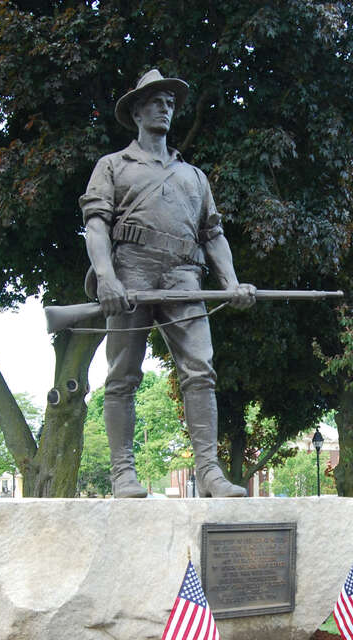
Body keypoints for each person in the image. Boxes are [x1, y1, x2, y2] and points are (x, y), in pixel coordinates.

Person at [79, 69, 256, 499]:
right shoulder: (113, 166)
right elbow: (96, 227)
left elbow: (212, 235)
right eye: (156, 101)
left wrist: (231, 282)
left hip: (184, 278)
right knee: (122, 377)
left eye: (171, 103)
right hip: (130, 275)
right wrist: (105, 278)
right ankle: (123, 473)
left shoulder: (194, 177)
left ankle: (210, 473)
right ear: (137, 111)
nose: (165, 108)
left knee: (201, 373)